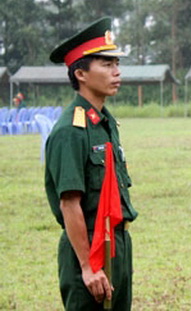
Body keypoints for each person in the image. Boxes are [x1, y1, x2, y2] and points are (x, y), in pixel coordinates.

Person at [44, 17, 138, 310]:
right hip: (88, 249)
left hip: (118, 245)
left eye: (117, 64)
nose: (116, 71)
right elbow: (70, 203)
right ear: (82, 73)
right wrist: (87, 266)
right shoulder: (70, 131)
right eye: (107, 64)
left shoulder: (105, 122)